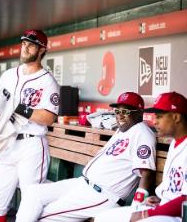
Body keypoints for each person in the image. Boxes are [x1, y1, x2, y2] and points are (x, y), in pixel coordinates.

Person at [15, 92, 156, 222]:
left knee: (44, 214)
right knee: (33, 192)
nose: (120, 115)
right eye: (117, 111)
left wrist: (137, 203)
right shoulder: (123, 130)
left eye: (125, 111)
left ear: (139, 113)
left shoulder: (142, 133)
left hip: (102, 195)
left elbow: (147, 172)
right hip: (83, 184)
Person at [0, 29, 60, 222]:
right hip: (8, 144)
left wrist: (19, 108)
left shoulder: (48, 81)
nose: (25, 47)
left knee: (30, 204)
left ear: (42, 50)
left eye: (31, 44)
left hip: (32, 145)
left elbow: (49, 118)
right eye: (24, 43)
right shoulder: (9, 75)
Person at [94, 91, 187, 222]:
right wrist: (160, 199)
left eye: (159, 117)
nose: (154, 122)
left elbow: (185, 200)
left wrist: (147, 214)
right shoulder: (174, 143)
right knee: (102, 217)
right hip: (164, 208)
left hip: (179, 215)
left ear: (176, 117)